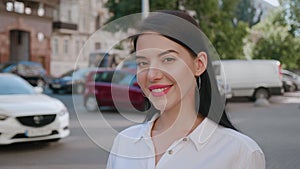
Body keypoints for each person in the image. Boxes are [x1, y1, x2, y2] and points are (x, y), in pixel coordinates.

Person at [106, 10, 265, 169]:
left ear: (199, 64)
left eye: (168, 59)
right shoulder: (124, 143)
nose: (152, 74)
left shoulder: (240, 153)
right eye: (143, 62)